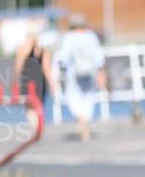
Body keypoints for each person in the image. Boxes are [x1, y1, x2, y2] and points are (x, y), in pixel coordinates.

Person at [56, 13, 106, 141]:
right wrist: (101, 73)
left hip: (73, 73)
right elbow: (98, 56)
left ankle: (82, 121)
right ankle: (85, 125)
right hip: (90, 72)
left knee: (72, 97)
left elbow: (65, 57)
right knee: (88, 98)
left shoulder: (69, 37)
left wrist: (61, 68)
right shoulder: (91, 36)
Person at [13, 22, 58, 130]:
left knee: (30, 107)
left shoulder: (24, 48)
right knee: (37, 106)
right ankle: (38, 127)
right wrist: (53, 84)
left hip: (29, 81)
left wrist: (15, 81)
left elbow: (18, 67)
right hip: (39, 81)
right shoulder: (42, 49)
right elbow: (47, 69)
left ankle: (36, 128)